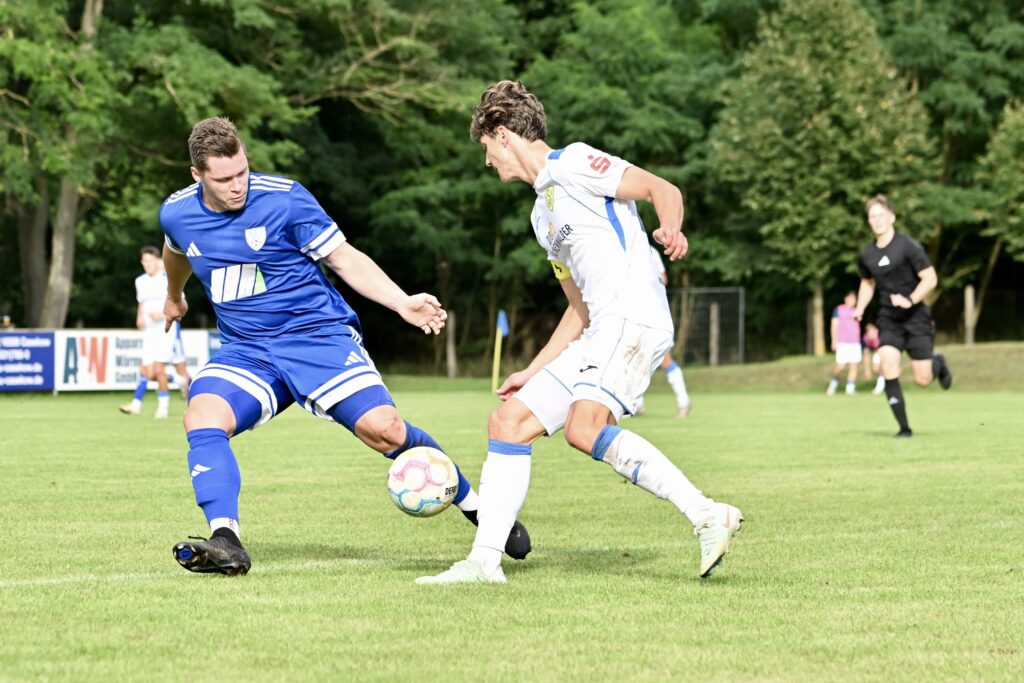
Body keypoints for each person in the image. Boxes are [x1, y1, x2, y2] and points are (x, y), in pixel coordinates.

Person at [160, 117, 529, 575]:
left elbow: (343, 258)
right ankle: (225, 538)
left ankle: (480, 511)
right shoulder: (176, 212)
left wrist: (401, 303)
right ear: (197, 175)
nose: (239, 186)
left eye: (243, 172)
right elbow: (176, 250)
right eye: (225, 179)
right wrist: (174, 296)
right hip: (248, 349)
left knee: (387, 431)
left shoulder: (286, 200)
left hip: (316, 337)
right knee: (202, 416)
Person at [418, 81, 741, 585]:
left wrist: (671, 228)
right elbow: (577, 311)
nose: (487, 162)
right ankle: (483, 563)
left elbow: (663, 190)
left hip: (632, 315)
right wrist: (533, 369)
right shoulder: (539, 216)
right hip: (601, 326)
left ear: (502, 135)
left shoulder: (574, 163)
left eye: (485, 148)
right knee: (508, 422)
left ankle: (707, 514)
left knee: (583, 427)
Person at [854, 195, 952, 437]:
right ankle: (904, 428)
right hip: (889, 318)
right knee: (887, 362)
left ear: (892, 217)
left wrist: (910, 299)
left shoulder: (907, 246)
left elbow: (930, 278)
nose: (876, 220)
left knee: (923, 379)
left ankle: (937, 363)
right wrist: (859, 308)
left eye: (880, 215)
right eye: (872, 217)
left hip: (916, 316)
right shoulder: (866, 254)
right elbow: (867, 283)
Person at [634, 243, 691, 417]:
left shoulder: (648, 251)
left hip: (653, 313)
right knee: (635, 359)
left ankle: (684, 402)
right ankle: (636, 405)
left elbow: (663, 279)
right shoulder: (621, 248)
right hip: (634, 313)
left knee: (665, 360)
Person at [119, 246, 174, 419]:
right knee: (145, 370)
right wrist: (139, 317)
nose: (148, 264)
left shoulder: (167, 279)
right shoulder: (140, 281)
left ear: (158, 262)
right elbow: (141, 302)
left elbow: (179, 303)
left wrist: (163, 314)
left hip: (164, 329)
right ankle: (136, 405)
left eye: (151, 260)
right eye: (145, 261)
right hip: (149, 330)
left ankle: (163, 408)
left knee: (158, 370)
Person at [826, 291, 861, 396]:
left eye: (854, 299)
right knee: (840, 367)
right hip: (843, 342)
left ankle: (850, 389)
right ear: (845, 299)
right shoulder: (839, 310)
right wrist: (834, 340)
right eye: (850, 298)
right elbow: (834, 325)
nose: (852, 301)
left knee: (854, 366)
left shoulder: (857, 311)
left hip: (855, 342)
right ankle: (833, 384)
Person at [862, 322, 885, 395]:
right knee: (876, 369)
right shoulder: (866, 338)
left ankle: (880, 387)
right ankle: (882, 386)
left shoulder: (881, 334)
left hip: (885, 350)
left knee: (884, 369)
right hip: (877, 351)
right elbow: (866, 354)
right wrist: (867, 371)